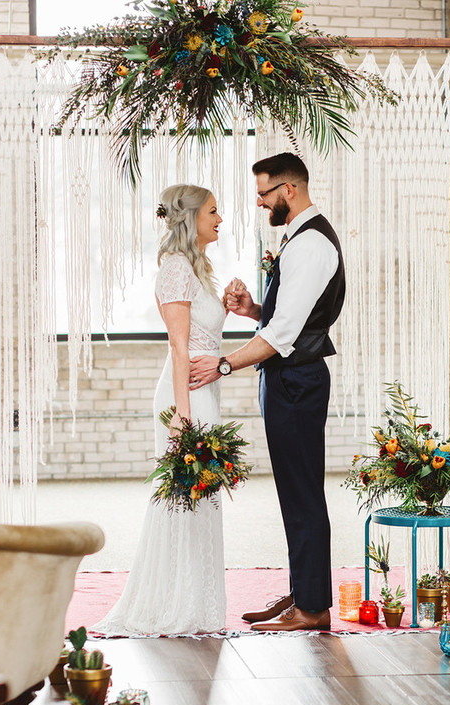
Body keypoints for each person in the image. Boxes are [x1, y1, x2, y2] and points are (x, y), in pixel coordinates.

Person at [190, 152, 345, 632]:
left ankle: (313, 608)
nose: (259, 202)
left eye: (263, 193)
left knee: (302, 494)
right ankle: (304, 592)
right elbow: (286, 319)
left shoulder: (311, 244)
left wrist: (223, 364)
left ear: (288, 190)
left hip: (296, 382)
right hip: (287, 379)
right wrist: (253, 309)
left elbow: (282, 336)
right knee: (295, 491)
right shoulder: (298, 237)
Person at [91, 184, 226, 636]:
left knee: (200, 496)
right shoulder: (174, 268)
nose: (219, 219)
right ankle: (174, 601)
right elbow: (179, 345)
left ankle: (196, 600)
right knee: (183, 496)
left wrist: (229, 306)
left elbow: (201, 334)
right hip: (185, 396)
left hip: (202, 392)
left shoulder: (195, 267)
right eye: (212, 211)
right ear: (191, 218)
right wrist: (183, 415)